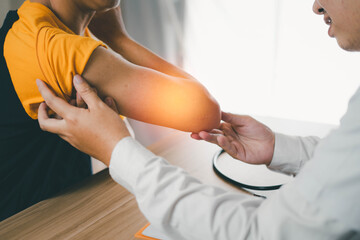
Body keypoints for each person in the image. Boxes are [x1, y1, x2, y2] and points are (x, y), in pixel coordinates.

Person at [36, 0, 360, 239]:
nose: (316, 6)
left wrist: (117, 149)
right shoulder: (47, 45)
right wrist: (280, 148)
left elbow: (261, 234)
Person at [0, 0, 219, 221]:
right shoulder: (50, 47)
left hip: (65, 221)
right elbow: (205, 111)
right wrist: (120, 39)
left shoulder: (34, 28)